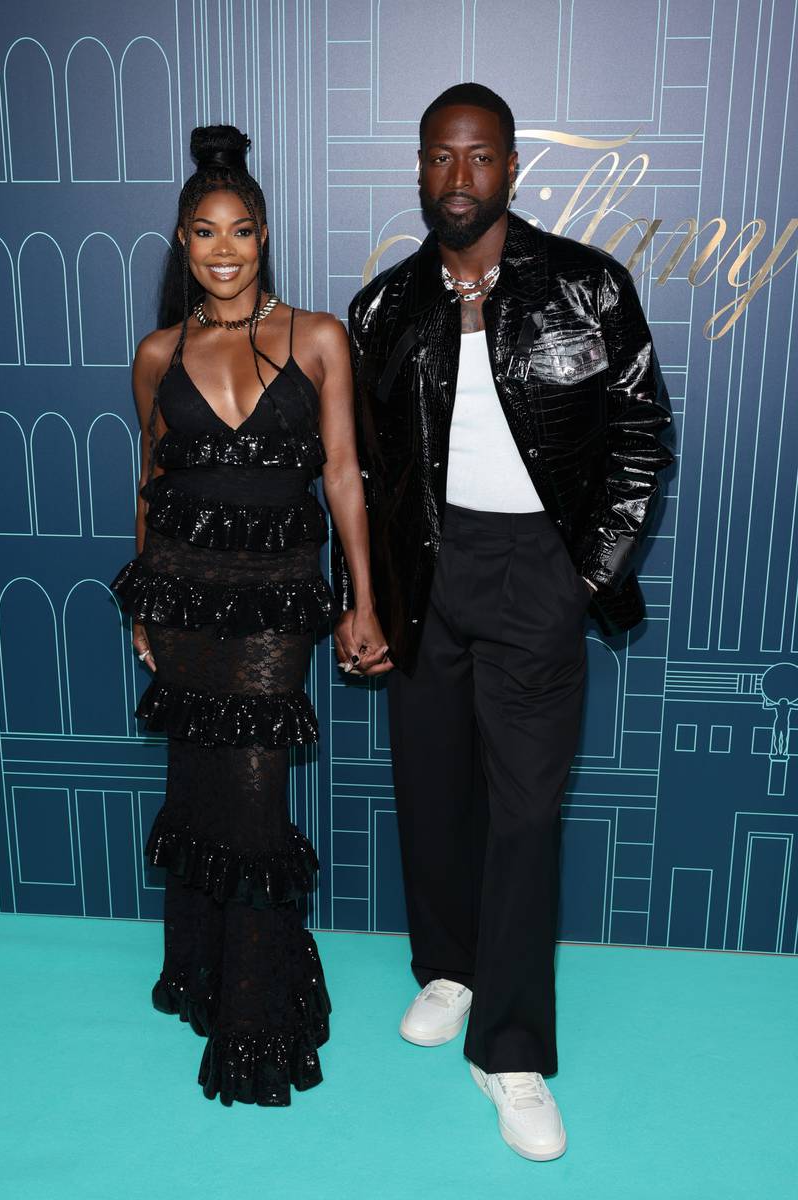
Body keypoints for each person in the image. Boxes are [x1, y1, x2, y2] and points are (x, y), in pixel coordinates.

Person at [336, 83, 672, 1159]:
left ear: (512, 167)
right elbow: (376, 477)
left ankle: (512, 1049)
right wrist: (373, 601)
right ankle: (448, 966)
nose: (455, 179)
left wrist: (579, 579)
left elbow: (637, 439)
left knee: (524, 814)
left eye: (477, 158)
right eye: (438, 157)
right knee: (431, 791)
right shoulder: (385, 309)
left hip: (537, 570)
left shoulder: (587, 286)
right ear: (418, 167)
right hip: (429, 574)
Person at [113, 125, 390, 1107]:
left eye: (239, 231)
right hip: (183, 596)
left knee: (252, 795)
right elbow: (152, 485)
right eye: (202, 233)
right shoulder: (157, 353)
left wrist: (360, 597)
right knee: (196, 783)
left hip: (276, 601)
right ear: (183, 244)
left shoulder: (315, 337)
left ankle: (256, 1010)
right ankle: (198, 972)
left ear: (263, 237)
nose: (222, 250)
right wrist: (143, 605)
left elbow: (346, 476)